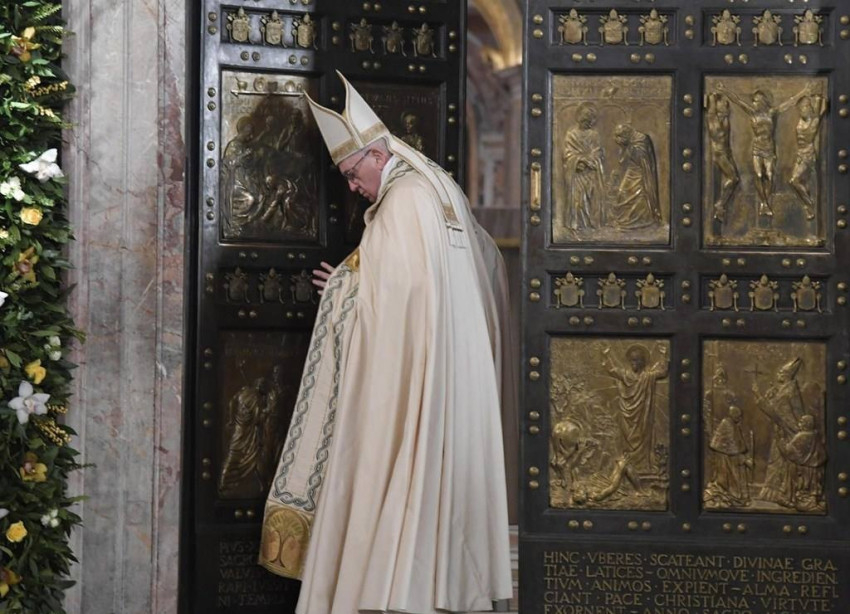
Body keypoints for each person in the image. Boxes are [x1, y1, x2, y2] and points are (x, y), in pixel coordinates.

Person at [260, 71, 515, 614]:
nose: (353, 188)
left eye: (353, 174)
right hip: (455, 379)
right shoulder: (439, 185)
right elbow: (464, 272)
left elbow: (398, 299)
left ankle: (387, 592)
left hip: (415, 380)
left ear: (378, 155)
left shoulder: (403, 201)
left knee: (394, 474)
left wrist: (342, 289)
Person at [561, 102, 605, 231]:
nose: (586, 121)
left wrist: (589, 161)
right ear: (579, 117)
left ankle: (591, 223)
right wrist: (578, 161)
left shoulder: (594, 135)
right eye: (584, 118)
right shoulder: (571, 134)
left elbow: (598, 151)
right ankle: (578, 224)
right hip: (577, 173)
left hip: (590, 172)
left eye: (589, 119)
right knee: (578, 200)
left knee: (590, 198)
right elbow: (568, 154)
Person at [610, 124, 662, 230]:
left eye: (619, 136)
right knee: (621, 192)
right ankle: (623, 219)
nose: (618, 139)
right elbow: (623, 160)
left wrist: (629, 148)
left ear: (626, 134)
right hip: (631, 170)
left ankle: (640, 220)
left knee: (640, 196)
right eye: (616, 136)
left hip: (640, 173)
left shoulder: (640, 141)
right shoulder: (630, 142)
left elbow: (643, 161)